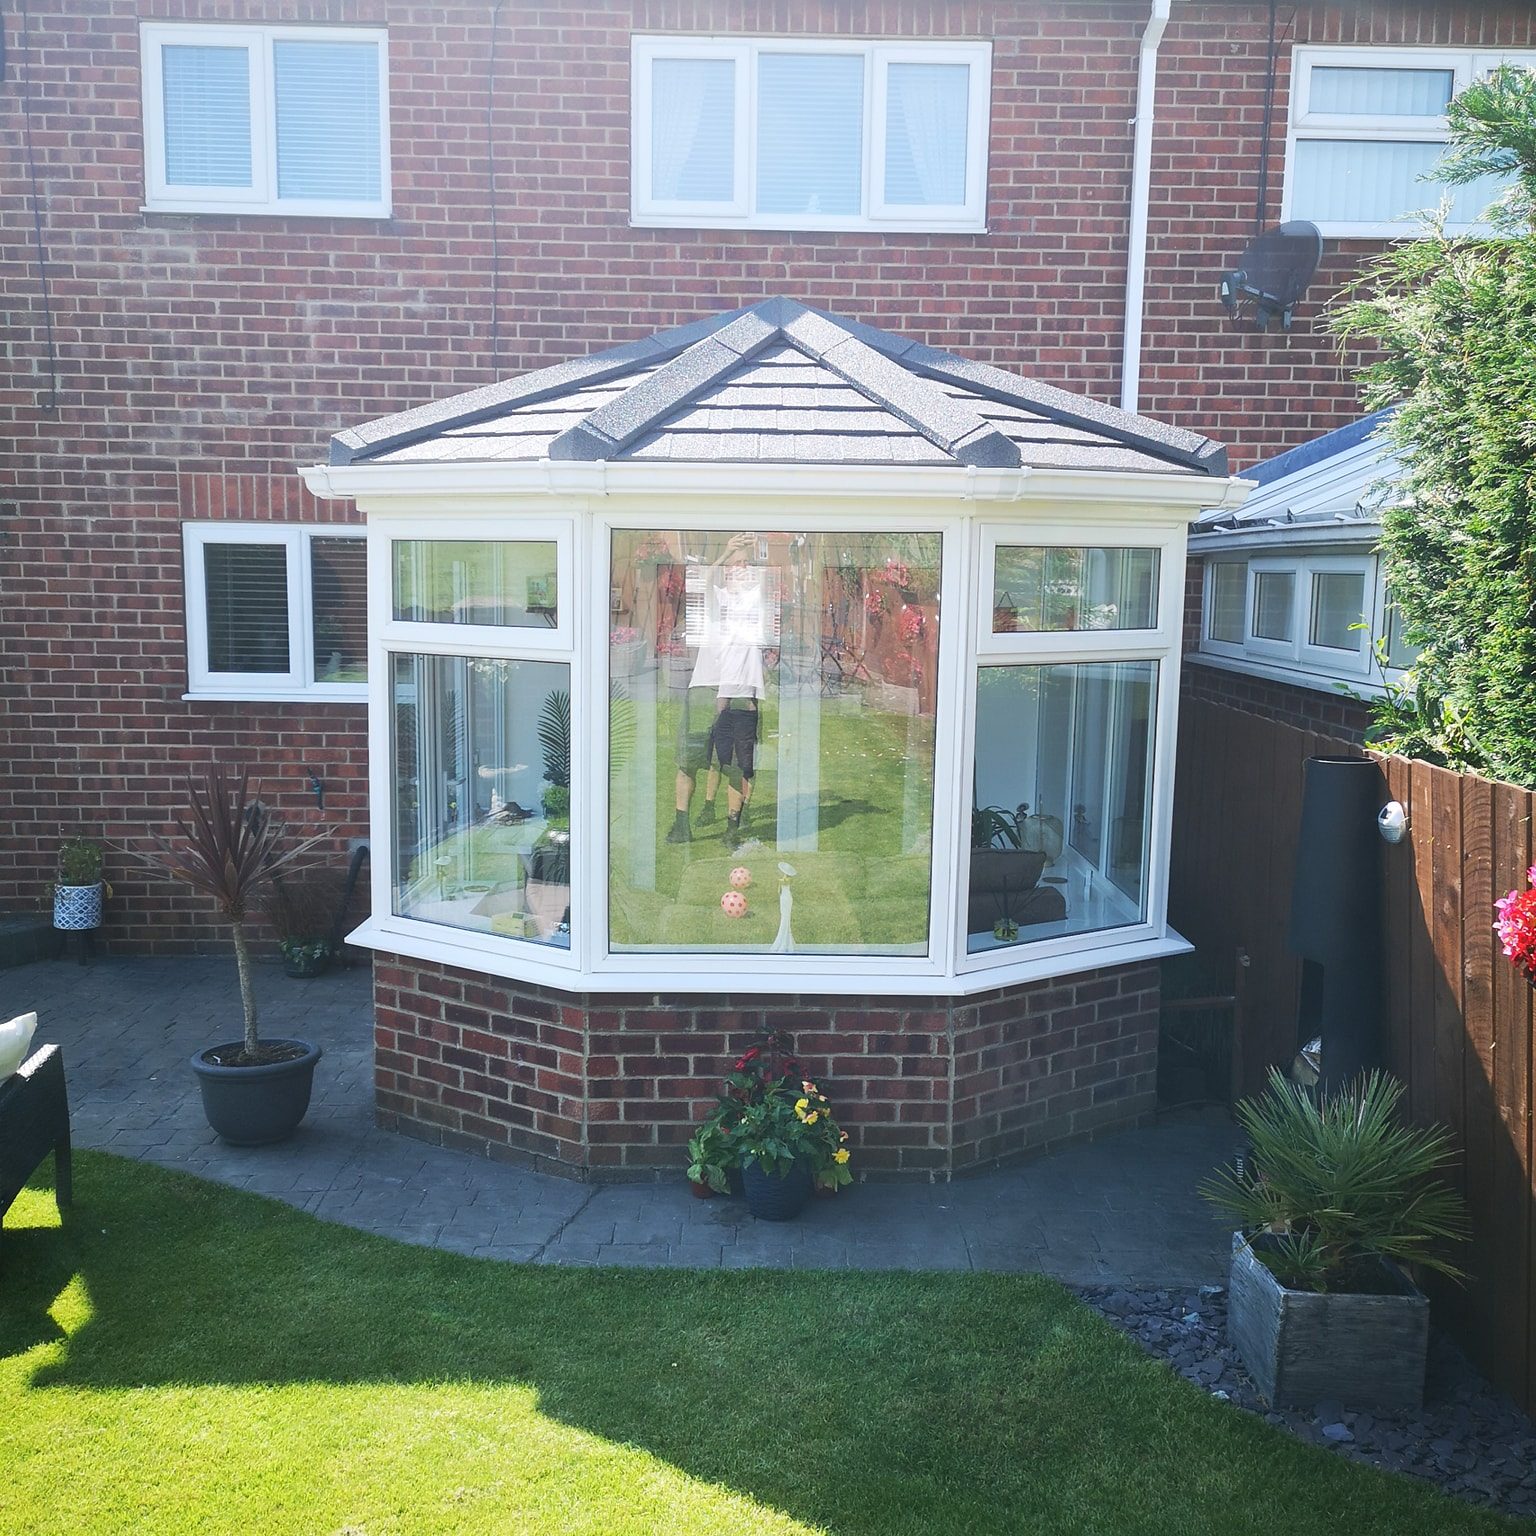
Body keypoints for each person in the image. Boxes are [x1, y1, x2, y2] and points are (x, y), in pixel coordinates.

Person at [666, 536, 770, 848]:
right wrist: (725, 552)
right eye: (736, 564)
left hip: (739, 694)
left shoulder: (755, 601)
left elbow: (765, 579)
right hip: (704, 690)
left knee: (737, 768)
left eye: (746, 564)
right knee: (689, 762)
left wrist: (754, 554)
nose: (742, 568)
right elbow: (701, 579)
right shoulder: (716, 598)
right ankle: (682, 824)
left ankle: (731, 830)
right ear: (725, 570)